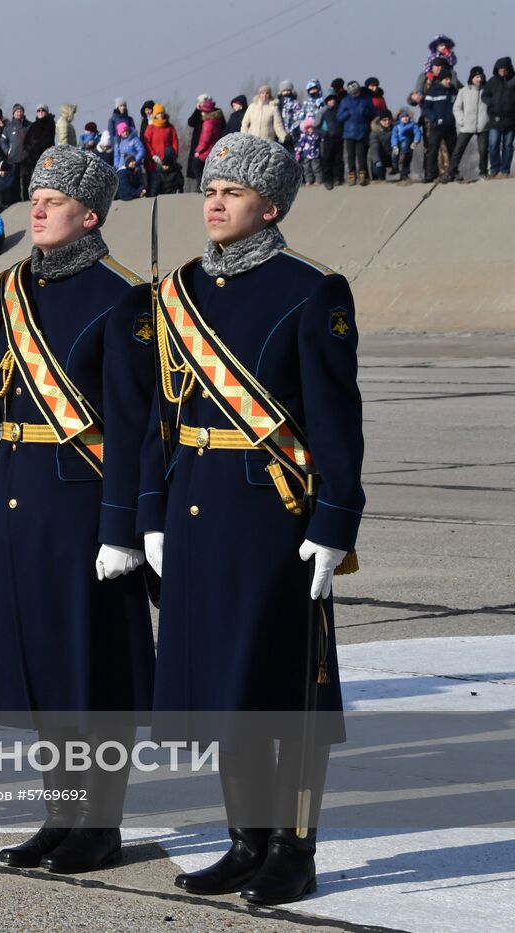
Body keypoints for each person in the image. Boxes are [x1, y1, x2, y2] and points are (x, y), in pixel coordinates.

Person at [143, 132, 364, 906]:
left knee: (286, 689)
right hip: (198, 504)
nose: (215, 201)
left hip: (273, 513)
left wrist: (335, 521)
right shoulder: (178, 292)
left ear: (269, 207)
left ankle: (293, 849)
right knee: (227, 685)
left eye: (233, 192)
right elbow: (158, 419)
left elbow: (337, 421)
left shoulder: (313, 291)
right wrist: (151, 514)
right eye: (210, 188)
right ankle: (245, 839)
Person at [0, 146, 155, 873]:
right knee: (44, 666)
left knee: (92, 669)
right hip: (23, 497)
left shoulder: (123, 296)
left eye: (55, 199)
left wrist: (122, 525)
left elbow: (133, 424)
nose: (39, 207)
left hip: (85, 504)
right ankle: (61, 813)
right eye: (36, 194)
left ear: (90, 215)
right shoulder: (5, 290)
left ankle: (101, 823)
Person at [421, 65, 459, 183]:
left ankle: (453, 173)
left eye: (450, 79)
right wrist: (434, 118)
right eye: (446, 79)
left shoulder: (453, 91)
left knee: (454, 151)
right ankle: (430, 175)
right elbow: (425, 109)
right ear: (441, 79)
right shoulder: (432, 91)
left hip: (450, 126)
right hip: (437, 126)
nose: (449, 81)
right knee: (432, 151)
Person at [451, 66, 490, 180]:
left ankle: (483, 172)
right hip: (467, 126)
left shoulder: (487, 90)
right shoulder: (463, 91)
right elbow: (456, 108)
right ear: (472, 78)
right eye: (477, 77)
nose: (479, 79)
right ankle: (452, 171)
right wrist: (461, 120)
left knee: (483, 150)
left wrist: (489, 120)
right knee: (458, 150)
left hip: (483, 126)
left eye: (481, 77)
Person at [337, 82, 376, 185]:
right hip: (349, 132)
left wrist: (366, 113)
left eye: (357, 92)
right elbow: (339, 117)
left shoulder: (366, 99)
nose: (356, 94)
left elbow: (373, 113)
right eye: (354, 93)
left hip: (362, 131)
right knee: (350, 155)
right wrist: (347, 114)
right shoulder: (345, 101)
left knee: (361, 154)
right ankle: (351, 175)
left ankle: (362, 175)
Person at [484, 57, 515, 177]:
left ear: (508, 68)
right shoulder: (492, 81)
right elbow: (485, 95)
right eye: (500, 68)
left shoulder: (513, 80)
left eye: (504, 68)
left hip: (511, 119)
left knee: (508, 146)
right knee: (493, 144)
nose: (502, 70)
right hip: (495, 119)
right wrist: (490, 102)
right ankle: (494, 169)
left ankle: (505, 170)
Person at [192, 98, 226, 181]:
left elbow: (205, 139)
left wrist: (198, 151)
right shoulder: (217, 120)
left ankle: (202, 184)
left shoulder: (208, 123)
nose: (202, 113)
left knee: (196, 166)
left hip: (207, 151)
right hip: (215, 149)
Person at [391, 109, 422, 182]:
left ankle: (405, 173)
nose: (405, 118)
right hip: (398, 145)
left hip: (408, 144)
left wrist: (415, 141)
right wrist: (394, 145)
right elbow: (394, 136)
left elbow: (417, 133)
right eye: (403, 117)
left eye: (406, 117)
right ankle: (395, 167)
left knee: (406, 159)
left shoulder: (412, 125)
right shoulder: (397, 126)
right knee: (394, 155)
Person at [367, 111, 394, 182]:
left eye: (389, 119)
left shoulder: (396, 130)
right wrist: (377, 161)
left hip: (393, 156)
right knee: (376, 167)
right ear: (380, 122)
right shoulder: (375, 132)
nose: (387, 122)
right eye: (384, 120)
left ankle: (404, 177)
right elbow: (374, 148)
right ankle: (379, 179)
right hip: (380, 157)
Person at [295, 118, 322, 185]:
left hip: (315, 154)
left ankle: (318, 179)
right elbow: (301, 144)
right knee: (307, 168)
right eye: (308, 128)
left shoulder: (316, 135)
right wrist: (298, 151)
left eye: (311, 127)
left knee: (316, 167)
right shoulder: (304, 136)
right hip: (306, 154)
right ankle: (308, 180)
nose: (310, 129)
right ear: (306, 128)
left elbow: (321, 142)